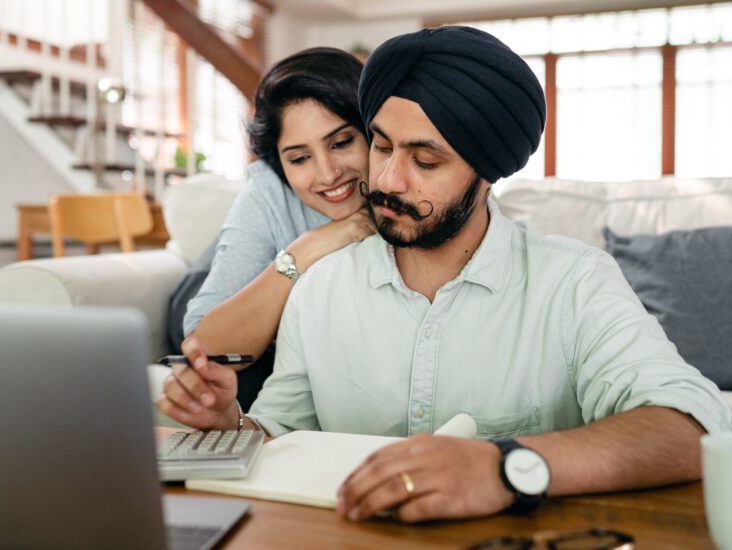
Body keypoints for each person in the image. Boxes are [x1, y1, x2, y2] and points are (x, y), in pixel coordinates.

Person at [158, 26, 732, 522]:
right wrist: (226, 422)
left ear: (488, 169)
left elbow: (689, 428)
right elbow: (282, 434)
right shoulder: (322, 285)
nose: (389, 181)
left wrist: (506, 466)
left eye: (426, 160)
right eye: (380, 146)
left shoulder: (574, 281)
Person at [169, 47, 375, 411]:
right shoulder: (268, 187)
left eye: (341, 142)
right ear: (279, 162)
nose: (328, 174)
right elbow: (208, 347)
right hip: (208, 290)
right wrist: (309, 247)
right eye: (299, 158)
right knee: (244, 380)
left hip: (278, 315)